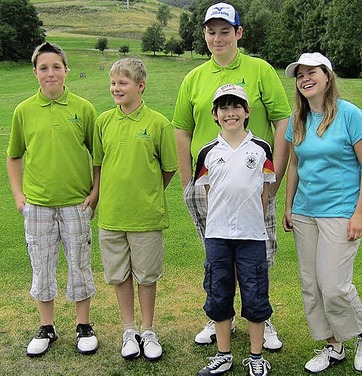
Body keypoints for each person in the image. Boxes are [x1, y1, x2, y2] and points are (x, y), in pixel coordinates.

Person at [172, 1, 291, 352]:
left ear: (239, 33)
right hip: (208, 186)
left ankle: (261, 318)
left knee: (258, 258)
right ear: (205, 35)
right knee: (217, 257)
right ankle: (219, 315)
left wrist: (275, 182)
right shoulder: (194, 78)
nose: (218, 38)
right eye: (211, 32)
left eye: (225, 31)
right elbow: (181, 130)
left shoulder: (260, 70)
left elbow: (283, 122)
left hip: (255, 184)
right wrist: (187, 182)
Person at [282, 52, 362, 373]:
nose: (305, 78)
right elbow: (295, 164)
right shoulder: (298, 119)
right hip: (305, 213)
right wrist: (288, 206)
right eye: (300, 75)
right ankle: (332, 345)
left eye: (312, 72)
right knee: (311, 284)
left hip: (340, 212)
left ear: (327, 76)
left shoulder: (351, 115)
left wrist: (360, 213)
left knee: (334, 285)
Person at [6, 42, 99, 358]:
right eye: (43, 68)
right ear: (35, 72)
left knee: (79, 265)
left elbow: (97, 156)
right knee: (41, 266)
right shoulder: (24, 111)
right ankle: (47, 327)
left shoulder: (83, 108)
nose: (50, 73)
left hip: (76, 203)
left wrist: (95, 192)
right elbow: (14, 155)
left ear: (66, 70)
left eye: (56, 67)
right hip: (38, 206)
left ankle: (83, 326)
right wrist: (19, 196)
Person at [93, 58, 177, 362]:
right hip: (112, 216)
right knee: (119, 276)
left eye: (123, 83)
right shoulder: (103, 121)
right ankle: (129, 330)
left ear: (140, 86)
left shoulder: (158, 123)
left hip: (146, 217)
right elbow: (99, 165)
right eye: (113, 83)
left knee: (147, 276)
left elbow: (168, 169)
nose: (116, 88)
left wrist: (148, 192)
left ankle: (147, 329)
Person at [195, 84, 274, 376]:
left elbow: (265, 193)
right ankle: (223, 355)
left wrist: (251, 221)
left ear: (247, 111)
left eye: (236, 106)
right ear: (215, 115)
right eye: (223, 108)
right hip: (217, 236)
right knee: (218, 293)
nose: (230, 113)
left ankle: (255, 357)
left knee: (255, 295)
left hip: (252, 236)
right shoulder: (207, 152)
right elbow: (207, 192)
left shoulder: (261, 149)